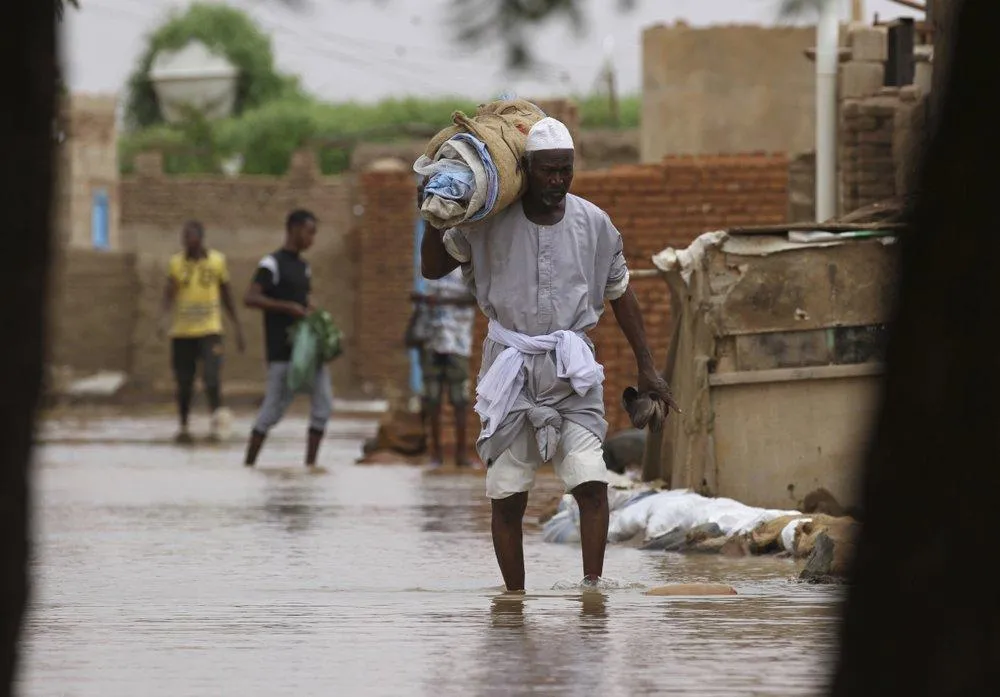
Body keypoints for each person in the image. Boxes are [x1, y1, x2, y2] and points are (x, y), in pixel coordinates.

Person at [420, 117, 674, 592]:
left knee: (591, 482)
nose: (557, 181)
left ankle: (592, 588)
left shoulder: (594, 223)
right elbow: (433, 268)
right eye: (548, 171)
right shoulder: (486, 223)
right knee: (507, 493)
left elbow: (621, 292)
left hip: (571, 369)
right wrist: (434, 215)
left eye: (565, 171)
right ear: (526, 169)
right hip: (509, 367)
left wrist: (647, 367)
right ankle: (514, 600)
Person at [242, 209, 333, 468]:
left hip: (308, 352)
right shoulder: (271, 264)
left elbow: (303, 301)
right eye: (309, 231)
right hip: (282, 351)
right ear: (293, 229)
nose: (312, 239)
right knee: (272, 411)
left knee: (323, 406)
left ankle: (310, 467)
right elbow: (250, 298)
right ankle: (248, 466)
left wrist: (314, 314)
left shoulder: (304, 268)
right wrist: (287, 308)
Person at [159, 220, 245, 443]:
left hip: (210, 330)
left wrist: (237, 326)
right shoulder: (176, 263)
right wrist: (162, 317)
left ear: (200, 238)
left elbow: (226, 294)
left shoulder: (217, 261)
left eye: (191, 237)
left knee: (211, 377)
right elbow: (169, 292)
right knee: (184, 382)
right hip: (182, 332)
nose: (188, 241)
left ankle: (217, 420)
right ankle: (184, 424)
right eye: (184, 237)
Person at [410, 266, 478, 468]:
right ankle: (436, 456)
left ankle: (461, 455)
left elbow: (474, 299)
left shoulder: (466, 265)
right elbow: (422, 296)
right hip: (432, 340)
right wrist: (422, 300)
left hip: (457, 341)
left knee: (459, 401)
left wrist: (441, 302)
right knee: (432, 400)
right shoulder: (429, 263)